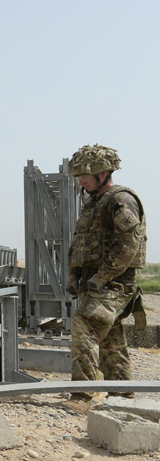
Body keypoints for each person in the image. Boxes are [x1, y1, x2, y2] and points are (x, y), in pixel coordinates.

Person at [64, 144, 148, 414]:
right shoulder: (93, 203)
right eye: (77, 175)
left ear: (103, 172)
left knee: (85, 322)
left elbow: (128, 245)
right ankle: (122, 395)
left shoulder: (120, 200)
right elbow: (81, 244)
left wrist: (101, 277)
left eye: (85, 175)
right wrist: (74, 274)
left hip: (115, 282)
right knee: (110, 337)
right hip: (97, 281)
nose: (81, 180)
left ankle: (83, 394)